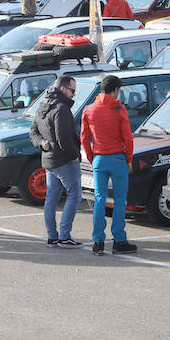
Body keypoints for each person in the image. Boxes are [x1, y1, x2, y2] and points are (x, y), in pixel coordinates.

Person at [81, 75, 137, 256]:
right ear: (116, 90)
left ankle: (98, 241)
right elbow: (128, 138)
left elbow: (83, 138)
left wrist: (92, 158)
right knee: (120, 201)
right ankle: (119, 240)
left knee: (99, 200)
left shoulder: (89, 110)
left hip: (99, 159)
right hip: (118, 160)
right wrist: (129, 159)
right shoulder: (119, 109)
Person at [30, 74, 82, 247]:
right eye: (72, 91)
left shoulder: (43, 105)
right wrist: (75, 155)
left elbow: (33, 132)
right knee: (74, 194)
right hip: (63, 160)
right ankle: (64, 235)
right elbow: (64, 139)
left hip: (49, 160)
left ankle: (52, 236)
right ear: (63, 89)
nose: (74, 94)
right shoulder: (61, 108)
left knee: (52, 198)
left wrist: (41, 143)